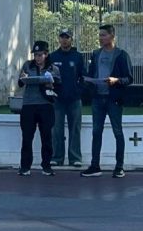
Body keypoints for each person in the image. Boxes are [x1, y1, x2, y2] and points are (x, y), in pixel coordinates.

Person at [81, 24, 133, 178]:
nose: (100, 38)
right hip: (98, 98)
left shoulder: (121, 55)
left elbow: (129, 78)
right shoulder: (96, 54)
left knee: (117, 131)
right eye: (100, 35)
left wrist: (116, 80)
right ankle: (95, 165)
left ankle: (119, 166)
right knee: (96, 131)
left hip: (113, 99)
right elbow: (91, 73)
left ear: (112, 36)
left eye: (103, 35)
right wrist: (88, 81)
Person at [17, 40, 61, 176]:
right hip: (29, 105)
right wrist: (23, 78)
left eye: (40, 55)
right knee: (27, 136)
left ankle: (46, 166)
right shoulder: (27, 65)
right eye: (35, 55)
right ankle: (25, 166)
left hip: (46, 105)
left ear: (46, 54)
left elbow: (58, 86)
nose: (37, 58)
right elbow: (20, 83)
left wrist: (51, 84)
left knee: (46, 137)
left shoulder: (53, 68)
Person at [49, 30, 85, 167]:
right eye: (62, 37)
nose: (64, 40)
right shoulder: (52, 56)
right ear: (59, 39)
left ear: (71, 39)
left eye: (67, 37)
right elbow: (48, 75)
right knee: (56, 129)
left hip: (74, 99)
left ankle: (75, 158)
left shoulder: (77, 57)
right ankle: (56, 157)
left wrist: (79, 90)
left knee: (75, 129)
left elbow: (83, 76)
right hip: (57, 99)